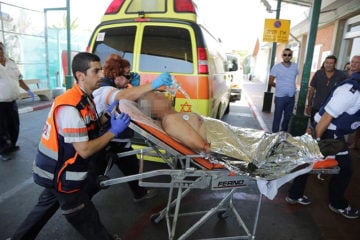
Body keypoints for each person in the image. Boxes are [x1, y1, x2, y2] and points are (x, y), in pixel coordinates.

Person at [285, 55, 360, 219]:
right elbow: (327, 117)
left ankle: (295, 194)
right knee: (345, 169)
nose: (354, 64)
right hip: (328, 132)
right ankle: (337, 203)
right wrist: (316, 140)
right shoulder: (351, 90)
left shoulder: (349, 83)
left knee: (309, 161)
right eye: (353, 62)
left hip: (326, 129)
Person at [97, 53, 157, 202]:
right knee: (95, 177)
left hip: (118, 138)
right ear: (117, 76)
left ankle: (140, 193)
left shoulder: (114, 88)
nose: (130, 79)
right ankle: (78, 200)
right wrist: (138, 88)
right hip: (111, 139)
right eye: (127, 76)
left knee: (131, 164)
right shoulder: (109, 91)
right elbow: (140, 108)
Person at [0, 42, 35, 161]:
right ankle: (3, 151)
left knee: (14, 125)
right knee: (1, 128)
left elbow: (19, 79)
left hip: (12, 101)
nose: (0, 51)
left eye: (1, 48)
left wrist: (29, 90)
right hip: (1, 102)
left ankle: (11, 145)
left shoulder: (11, 63)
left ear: (4, 50)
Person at [306, 55, 346, 126]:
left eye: (331, 63)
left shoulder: (341, 75)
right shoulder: (318, 73)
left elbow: (345, 92)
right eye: (326, 63)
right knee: (313, 127)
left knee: (327, 129)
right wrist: (309, 105)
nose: (328, 65)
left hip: (332, 108)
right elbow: (311, 90)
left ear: (335, 64)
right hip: (317, 106)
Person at [268, 48, 299, 133]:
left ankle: (283, 133)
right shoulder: (276, 67)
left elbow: (292, 79)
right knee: (277, 117)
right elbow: (270, 82)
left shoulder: (295, 66)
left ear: (291, 56)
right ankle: (274, 135)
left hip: (291, 97)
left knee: (287, 118)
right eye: (285, 54)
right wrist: (279, 87)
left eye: (289, 55)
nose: (287, 56)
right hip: (280, 97)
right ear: (282, 56)